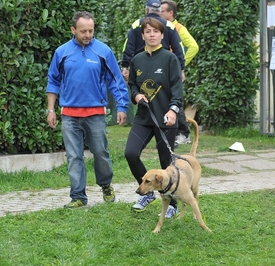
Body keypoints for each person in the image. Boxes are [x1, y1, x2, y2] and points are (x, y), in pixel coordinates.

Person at [46, 11, 129, 208]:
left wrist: (122, 106)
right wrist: (51, 110)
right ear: (73, 30)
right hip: (69, 115)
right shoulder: (62, 52)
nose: (88, 35)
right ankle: (78, 197)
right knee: (74, 156)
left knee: (101, 152)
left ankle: (106, 185)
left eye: (91, 30)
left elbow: (116, 81)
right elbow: (53, 81)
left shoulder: (103, 51)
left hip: (96, 113)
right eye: (83, 31)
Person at [124, 17, 183, 218]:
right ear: (142, 35)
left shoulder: (170, 58)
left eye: (155, 31)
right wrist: (136, 95)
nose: (151, 34)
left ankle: (172, 203)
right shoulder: (136, 60)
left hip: (165, 119)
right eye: (147, 31)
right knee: (130, 153)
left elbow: (177, 88)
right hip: (144, 118)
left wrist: (173, 110)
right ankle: (147, 192)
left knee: (167, 163)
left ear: (161, 35)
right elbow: (132, 84)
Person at [161, 0, 199, 146]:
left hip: (172, 72)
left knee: (175, 101)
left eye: (163, 11)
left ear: (171, 13)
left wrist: (179, 66)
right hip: (163, 72)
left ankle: (183, 133)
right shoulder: (161, 27)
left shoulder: (178, 28)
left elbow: (194, 47)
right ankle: (175, 133)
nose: (160, 13)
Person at [121, 0, 186, 83]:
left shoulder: (137, 24)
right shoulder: (169, 25)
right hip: (163, 66)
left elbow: (128, 46)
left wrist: (125, 66)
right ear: (160, 11)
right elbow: (178, 48)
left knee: (139, 91)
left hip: (140, 66)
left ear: (146, 10)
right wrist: (181, 69)